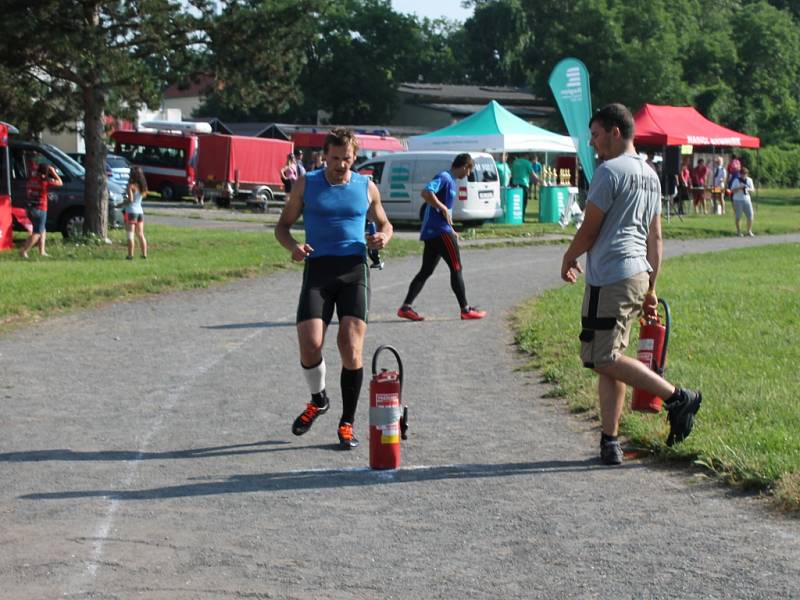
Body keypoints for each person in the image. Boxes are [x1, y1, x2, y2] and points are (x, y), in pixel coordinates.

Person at [560, 103, 701, 466]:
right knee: (609, 358)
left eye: (595, 135)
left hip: (610, 275)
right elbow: (656, 238)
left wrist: (568, 256)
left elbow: (589, 229)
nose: (592, 144)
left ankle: (677, 398)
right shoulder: (650, 174)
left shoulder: (609, 173)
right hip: (636, 273)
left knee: (601, 356)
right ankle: (610, 441)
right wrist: (651, 286)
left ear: (615, 132)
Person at [275, 129, 393, 450]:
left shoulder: (366, 187)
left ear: (355, 158)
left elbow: (385, 224)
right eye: (335, 157)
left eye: (347, 159)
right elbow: (282, 227)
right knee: (311, 344)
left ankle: (347, 423)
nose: (341, 164)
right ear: (325, 155)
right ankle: (319, 399)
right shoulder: (307, 184)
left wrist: (384, 237)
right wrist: (294, 247)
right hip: (318, 270)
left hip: (354, 270)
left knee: (350, 346)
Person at [397, 153, 487, 322]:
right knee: (456, 267)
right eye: (469, 170)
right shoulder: (445, 177)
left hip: (437, 231)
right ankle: (465, 310)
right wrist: (443, 208)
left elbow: (441, 209)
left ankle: (405, 308)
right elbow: (426, 192)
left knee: (426, 271)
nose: (468, 175)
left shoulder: (451, 181)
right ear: (464, 166)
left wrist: (451, 227)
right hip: (439, 232)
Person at [20, 163, 62, 258]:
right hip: (40, 209)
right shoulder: (45, 181)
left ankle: (42, 252)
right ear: (47, 172)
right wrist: (54, 172)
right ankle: (24, 250)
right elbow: (60, 182)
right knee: (37, 233)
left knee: (42, 230)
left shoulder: (32, 180)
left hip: (30, 208)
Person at [121, 166, 148, 259]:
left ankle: (130, 255)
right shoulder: (143, 186)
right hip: (140, 211)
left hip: (131, 211)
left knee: (130, 234)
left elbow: (130, 200)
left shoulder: (131, 185)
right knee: (140, 234)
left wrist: (121, 204)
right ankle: (144, 254)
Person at [730, 166, 755, 237]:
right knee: (738, 216)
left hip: (747, 199)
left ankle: (749, 231)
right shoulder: (736, 180)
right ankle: (738, 231)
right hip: (737, 200)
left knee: (750, 215)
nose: (744, 175)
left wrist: (747, 189)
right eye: (743, 174)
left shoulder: (749, 180)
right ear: (740, 174)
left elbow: (753, 190)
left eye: (745, 174)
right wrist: (739, 188)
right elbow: (732, 190)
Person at [511, 154, 535, 221]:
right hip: (523, 184)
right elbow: (532, 174)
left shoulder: (515, 162)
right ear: (526, 156)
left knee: (516, 201)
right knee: (524, 202)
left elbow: (512, 173)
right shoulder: (527, 163)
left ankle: (515, 217)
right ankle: (522, 217)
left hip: (515, 184)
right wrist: (540, 181)